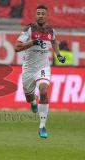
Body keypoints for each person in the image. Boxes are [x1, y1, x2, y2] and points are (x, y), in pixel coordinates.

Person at [14, 5, 65, 139]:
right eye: (38, 13)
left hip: (43, 68)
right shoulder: (29, 29)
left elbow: (54, 42)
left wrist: (58, 55)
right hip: (28, 69)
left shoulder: (50, 30)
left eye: (43, 13)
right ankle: (33, 103)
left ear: (47, 15)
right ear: (35, 15)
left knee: (43, 91)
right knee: (29, 97)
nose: (41, 15)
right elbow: (17, 47)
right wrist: (33, 42)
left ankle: (42, 126)